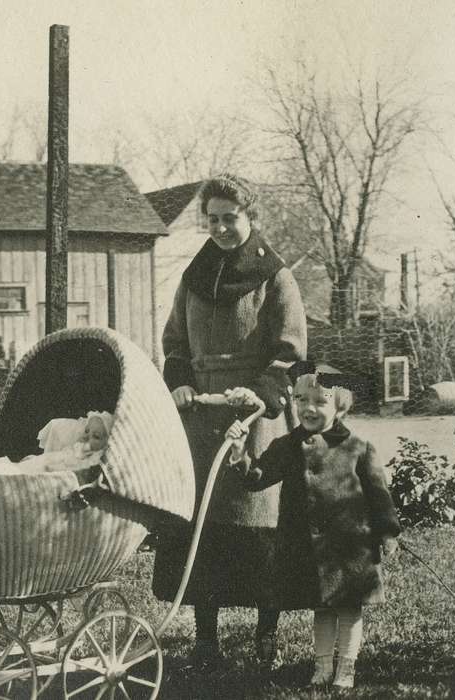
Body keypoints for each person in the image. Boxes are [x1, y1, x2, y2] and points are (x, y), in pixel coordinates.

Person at [151, 174, 308, 669]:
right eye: (213, 219)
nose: (220, 228)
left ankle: (266, 633)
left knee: (260, 523)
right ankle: (205, 639)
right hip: (199, 416)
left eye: (230, 218)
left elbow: (289, 353)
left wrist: (260, 394)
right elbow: (175, 341)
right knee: (201, 527)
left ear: (250, 218)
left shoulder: (276, 277)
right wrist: (178, 380)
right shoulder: (193, 278)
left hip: (257, 416)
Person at [224, 371, 402, 689]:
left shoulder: (358, 448)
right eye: (302, 400)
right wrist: (239, 452)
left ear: (340, 407)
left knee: (349, 608)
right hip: (309, 547)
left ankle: (346, 667)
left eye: (321, 402)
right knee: (321, 608)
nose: (309, 408)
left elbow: (379, 494)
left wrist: (387, 532)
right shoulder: (287, 446)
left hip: (350, 546)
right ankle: (322, 667)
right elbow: (257, 478)